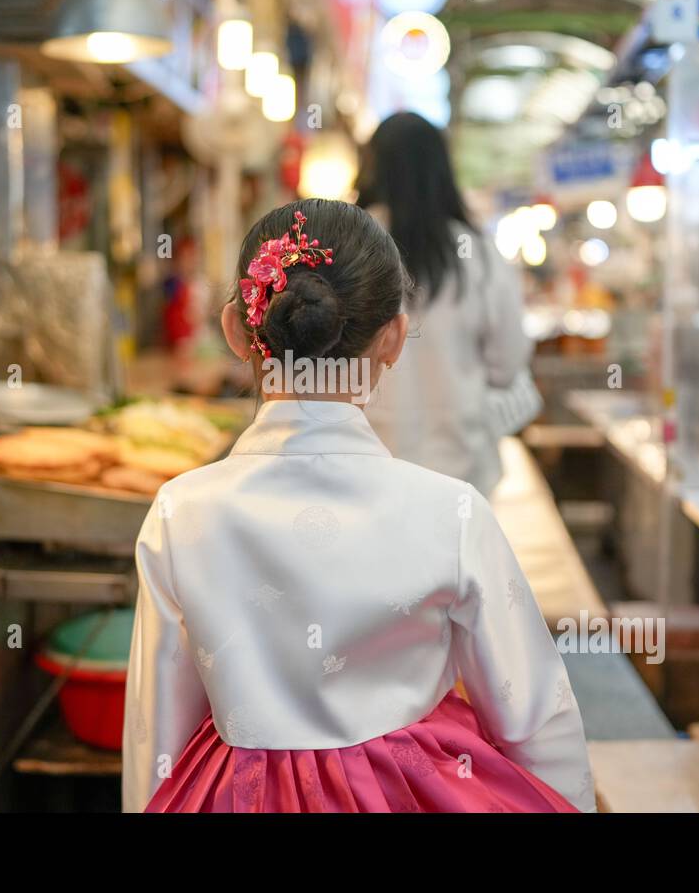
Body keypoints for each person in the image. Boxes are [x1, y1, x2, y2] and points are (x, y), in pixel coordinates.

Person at [122, 199, 593, 813]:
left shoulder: (179, 512)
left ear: (237, 330)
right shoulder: (452, 514)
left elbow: (155, 731)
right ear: (394, 337)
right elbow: (536, 720)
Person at [356, 112, 531, 497]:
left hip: (367, 467)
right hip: (464, 471)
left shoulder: (350, 246)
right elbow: (508, 363)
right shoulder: (480, 254)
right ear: (442, 168)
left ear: (372, 166)